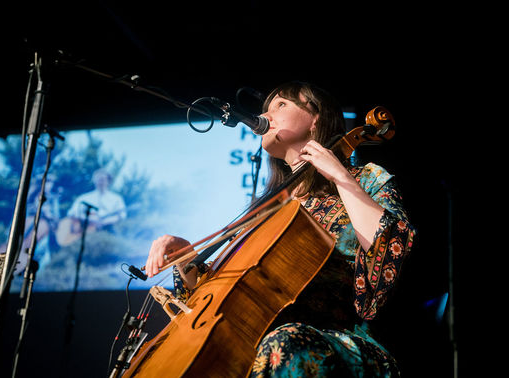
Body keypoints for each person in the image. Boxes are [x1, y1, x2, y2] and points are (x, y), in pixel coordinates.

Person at [144, 81, 416, 377]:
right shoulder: (273, 209)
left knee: (283, 343)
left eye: (281, 105)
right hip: (266, 339)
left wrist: (340, 176)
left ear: (316, 118)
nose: (267, 116)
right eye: (266, 110)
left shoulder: (366, 178)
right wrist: (188, 259)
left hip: (338, 341)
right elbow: (234, 294)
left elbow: (390, 249)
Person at [61, 168, 126, 244]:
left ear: (109, 181)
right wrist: (89, 219)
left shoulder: (116, 199)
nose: (100, 181)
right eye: (97, 179)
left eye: (102, 179)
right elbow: (72, 213)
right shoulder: (84, 198)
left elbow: (121, 215)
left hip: (109, 231)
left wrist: (104, 222)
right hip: (85, 233)